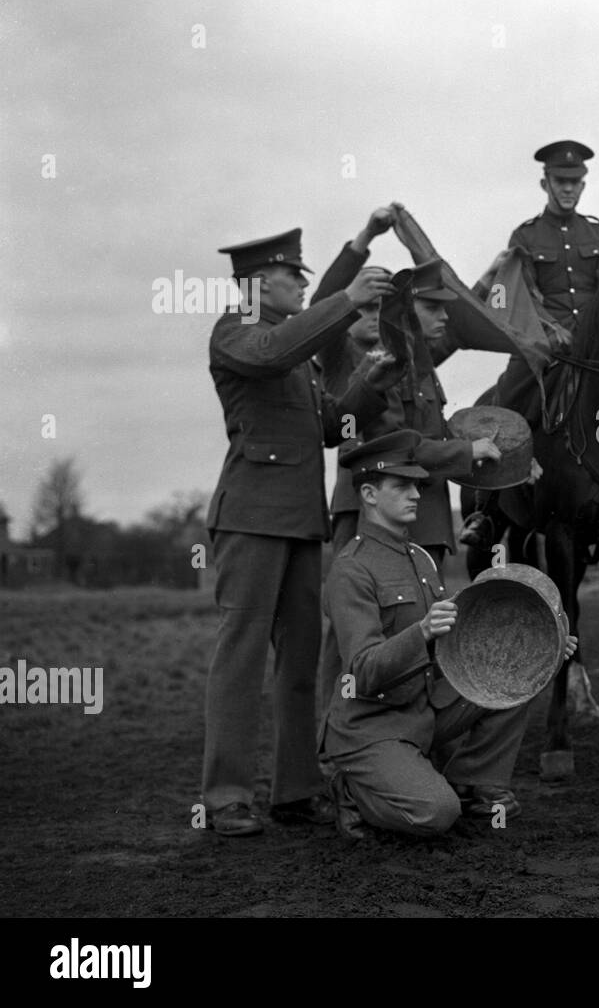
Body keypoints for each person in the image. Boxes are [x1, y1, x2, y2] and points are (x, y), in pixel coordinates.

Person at [202, 212, 404, 837]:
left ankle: (294, 791)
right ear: (259, 281)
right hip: (251, 519)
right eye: (293, 275)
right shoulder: (238, 332)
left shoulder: (297, 354)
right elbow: (271, 353)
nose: (299, 284)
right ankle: (227, 796)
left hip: (297, 523)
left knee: (298, 662)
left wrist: (370, 385)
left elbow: (327, 429)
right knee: (240, 660)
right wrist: (346, 300)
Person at [322, 430, 575, 839]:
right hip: (373, 726)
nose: (417, 495)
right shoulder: (351, 570)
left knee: (518, 671)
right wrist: (421, 632)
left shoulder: (420, 558)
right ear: (368, 494)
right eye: (401, 486)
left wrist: (543, 646)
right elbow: (360, 674)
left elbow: (454, 646)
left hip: (421, 712)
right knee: (436, 814)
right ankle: (352, 789)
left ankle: (472, 781)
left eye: (418, 486)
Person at [311, 258, 502, 722]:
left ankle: (410, 739)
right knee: (354, 636)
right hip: (377, 508)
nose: (444, 319)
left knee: (422, 630)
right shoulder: (363, 360)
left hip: (426, 512)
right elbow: (400, 448)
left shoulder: (419, 361)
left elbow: (451, 329)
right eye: (432, 308)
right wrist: (465, 451)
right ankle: (340, 743)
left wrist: (489, 275)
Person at [459, 139, 599, 549]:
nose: (568, 189)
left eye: (575, 182)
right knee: (503, 401)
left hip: (594, 353)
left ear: (584, 185)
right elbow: (522, 293)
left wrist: (592, 336)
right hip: (541, 348)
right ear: (545, 182)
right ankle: (486, 507)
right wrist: (551, 331)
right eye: (560, 181)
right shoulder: (526, 235)